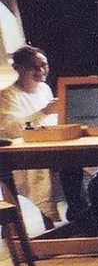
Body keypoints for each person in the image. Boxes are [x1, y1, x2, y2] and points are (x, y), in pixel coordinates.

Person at [0, 46, 86, 222]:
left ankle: (80, 209)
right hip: (24, 153)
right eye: (34, 67)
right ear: (18, 68)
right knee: (69, 162)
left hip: (50, 144)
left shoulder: (44, 89)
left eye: (43, 65)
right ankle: (75, 210)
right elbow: (10, 130)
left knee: (77, 158)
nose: (40, 71)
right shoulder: (7, 96)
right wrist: (44, 111)